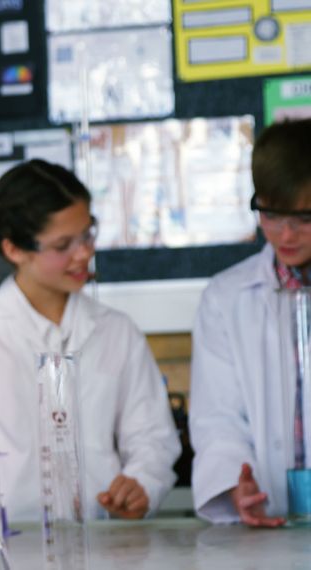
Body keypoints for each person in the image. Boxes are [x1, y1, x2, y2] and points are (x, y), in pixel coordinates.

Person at [0, 160, 180, 524]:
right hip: (9, 548)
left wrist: (142, 483)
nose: (84, 253)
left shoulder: (117, 332)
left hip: (103, 543)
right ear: (14, 250)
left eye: (87, 234)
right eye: (63, 245)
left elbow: (153, 439)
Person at [190, 118, 311, 527]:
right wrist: (234, 485)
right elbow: (217, 417)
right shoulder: (226, 298)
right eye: (270, 214)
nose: (285, 233)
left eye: (304, 218)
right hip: (269, 531)